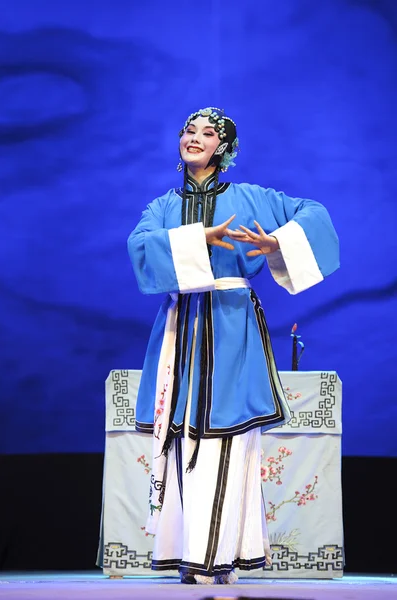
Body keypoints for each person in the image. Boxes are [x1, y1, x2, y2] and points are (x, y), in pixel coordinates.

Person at [127, 107, 339, 585]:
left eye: (208, 133)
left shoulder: (250, 199)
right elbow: (140, 246)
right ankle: (192, 553)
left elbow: (315, 214)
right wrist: (196, 238)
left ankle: (216, 555)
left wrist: (278, 244)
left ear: (223, 148)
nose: (194, 138)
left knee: (226, 433)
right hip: (182, 326)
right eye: (188, 130)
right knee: (184, 435)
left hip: (230, 321)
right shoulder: (162, 206)